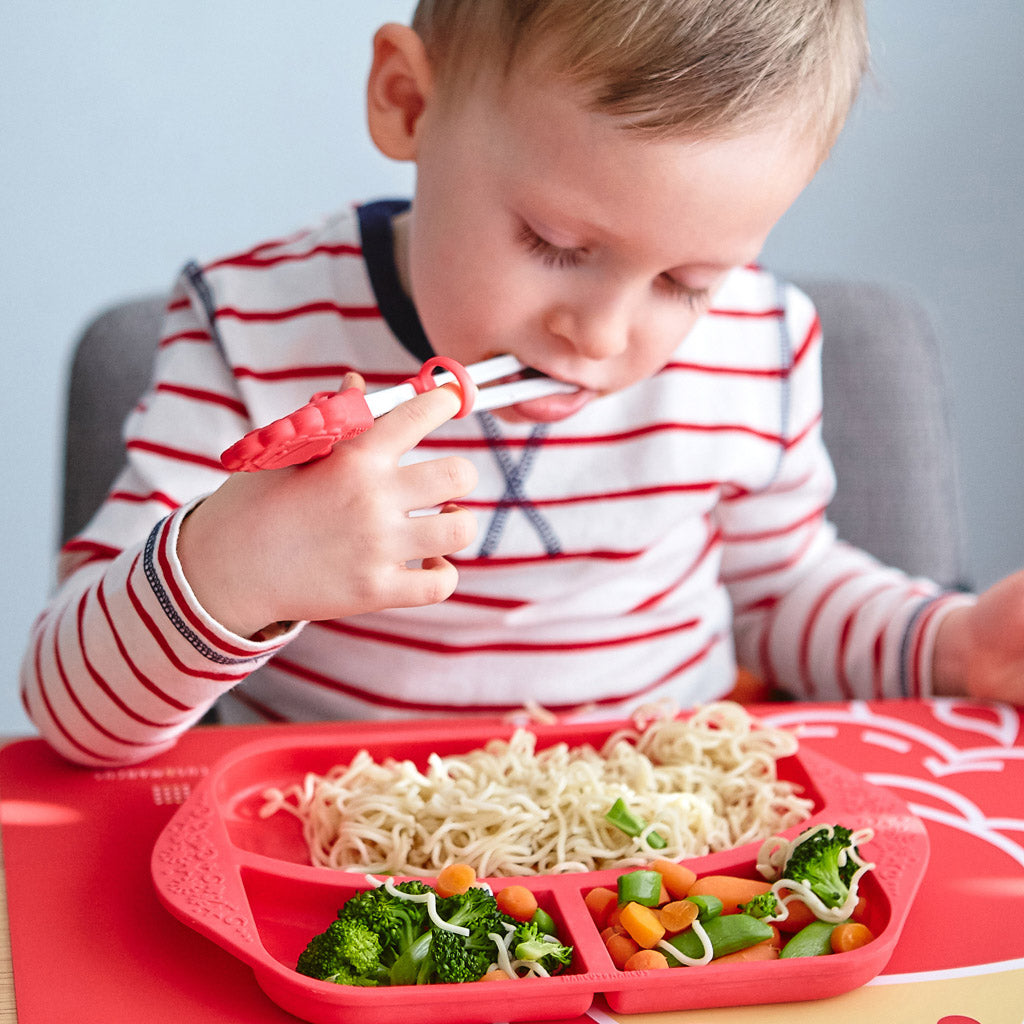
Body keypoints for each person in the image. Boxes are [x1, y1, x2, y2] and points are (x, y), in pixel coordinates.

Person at [21, 0, 1024, 768]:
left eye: (687, 282)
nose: (602, 335)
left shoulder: (756, 344)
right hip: (335, 842)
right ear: (409, 103)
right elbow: (70, 715)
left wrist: (954, 645)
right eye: (555, 243)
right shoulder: (250, 332)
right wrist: (234, 569)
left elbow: (782, 593)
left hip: (662, 850)